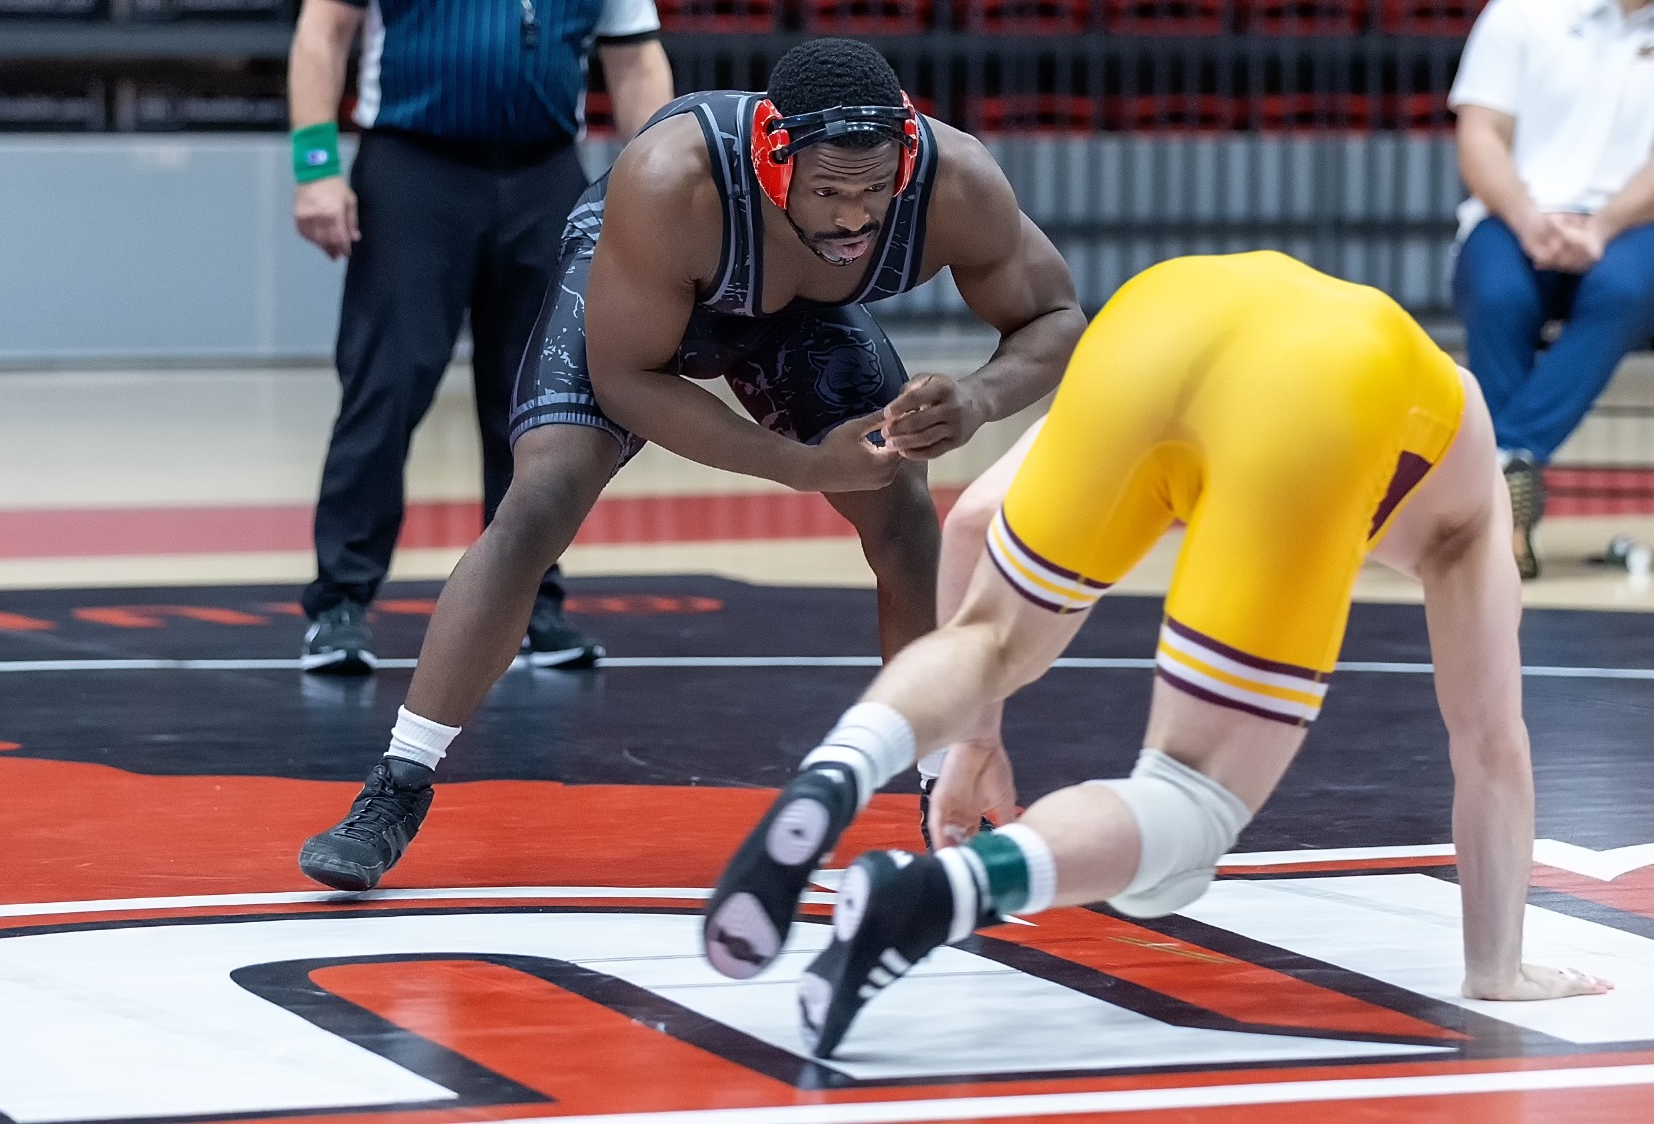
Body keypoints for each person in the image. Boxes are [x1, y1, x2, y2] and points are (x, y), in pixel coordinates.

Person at [701, 251, 1612, 1058]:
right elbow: (1491, 744)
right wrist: (1497, 968)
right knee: (1189, 801)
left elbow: (976, 516)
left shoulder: (1299, 378)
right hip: (1329, 386)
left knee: (990, 639)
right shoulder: (1471, 499)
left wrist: (970, 746)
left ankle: (832, 775)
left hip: (1162, 312)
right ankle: (943, 894)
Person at [294, 39, 1084, 892]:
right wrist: (796, 465)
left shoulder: (952, 179)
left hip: (792, 315)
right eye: (828, 192)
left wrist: (977, 400)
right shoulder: (673, 177)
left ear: (907, 157)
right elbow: (627, 381)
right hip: (640, 299)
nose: (855, 219)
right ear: (775, 163)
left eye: (874, 191)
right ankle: (398, 783)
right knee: (544, 495)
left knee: (901, 506)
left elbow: (1054, 315)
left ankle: (943, 793)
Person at [289, 0, 674, 673]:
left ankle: (530, 601)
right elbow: (323, 31)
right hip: (414, 168)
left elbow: (637, 60)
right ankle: (340, 604)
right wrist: (315, 165)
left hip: (545, 172)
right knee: (387, 384)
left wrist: (660, 188)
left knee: (543, 403)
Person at [1448, 0, 1654, 577]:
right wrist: (1531, 221)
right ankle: (1507, 510)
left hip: (1643, 228)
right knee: (1499, 295)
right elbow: (1480, 136)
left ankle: (1502, 464)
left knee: (1621, 291)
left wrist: (1601, 227)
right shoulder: (1517, 15)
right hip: (1516, 214)